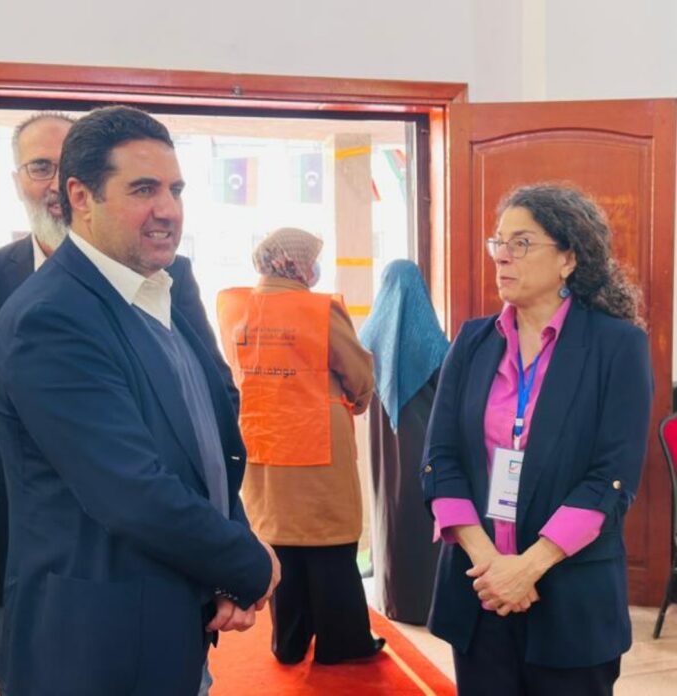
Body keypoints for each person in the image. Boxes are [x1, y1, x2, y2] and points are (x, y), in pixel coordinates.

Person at [0, 105, 280, 696]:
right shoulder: (53, 317)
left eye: (175, 189)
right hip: (92, 645)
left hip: (170, 616)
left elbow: (205, 442)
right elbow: (132, 491)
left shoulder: (155, 290)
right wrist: (249, 563)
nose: (167, 209)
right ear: (80, 197)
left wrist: (227, 553)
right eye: (143, 189)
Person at [422, 184, 653, 696]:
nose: (502, 255)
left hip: (571, 598)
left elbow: (610, 479)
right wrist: (492, 567)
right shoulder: (472, 341)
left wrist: (527, 569)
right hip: (480, 591)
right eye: (498, 241)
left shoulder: (617, 346)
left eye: (521, 243)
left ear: (569, 258)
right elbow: (441, 459)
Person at [217, 227, 384, 665]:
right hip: (317, 443)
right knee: (330, 542)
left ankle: (288, 642)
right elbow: (358, 374)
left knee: (280, 542)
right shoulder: (318, 309)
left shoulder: (233, 306)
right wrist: (359, 400)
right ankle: (341, 643)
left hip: (261, 440)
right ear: (298, 263)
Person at [359, 259, 449, 625]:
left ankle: (391, 597)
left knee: (389, 513)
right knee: (423, 517)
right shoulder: (431, 340)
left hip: (382, 449)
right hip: (424, 443)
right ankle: (425, 604)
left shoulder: (367, 336)